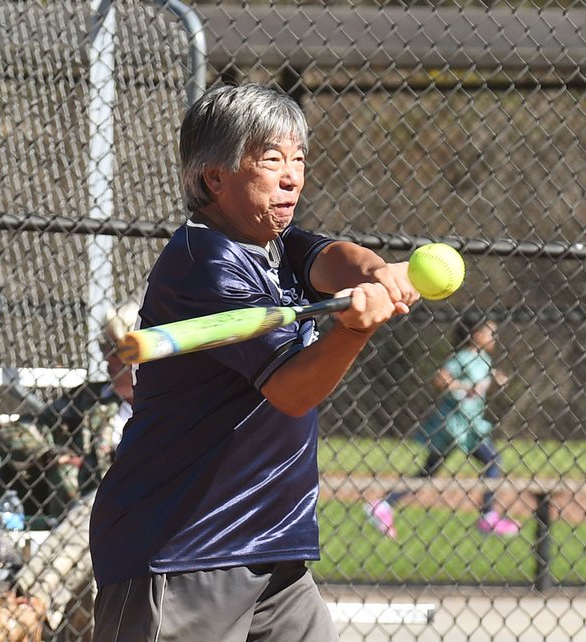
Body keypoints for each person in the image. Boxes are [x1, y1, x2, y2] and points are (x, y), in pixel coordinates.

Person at [87, 83, 418, 642]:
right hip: (182, 548)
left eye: (298, 160)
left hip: (275, 554)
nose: (291, 176)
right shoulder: (204, 262)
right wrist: (354, 329)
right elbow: (290, 389)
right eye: (270, 160)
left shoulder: (274, 243)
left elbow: (331, 257)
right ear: (215, 177)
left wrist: (376, 273)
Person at [0, 302, 139, 642]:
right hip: (91, 527)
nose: (106, 361)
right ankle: (26, 609)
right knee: (96, 515)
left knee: (103, 509)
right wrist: (50, 454)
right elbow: (14, 432)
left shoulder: (170, 404)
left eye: (114, 353)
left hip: (140, 515)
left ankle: (21, 611)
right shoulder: (90, 402)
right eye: (104, 351)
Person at [366, 310, 519, 538]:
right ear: (475, 334)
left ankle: (384, 505)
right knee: (493, 459)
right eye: (489, 333)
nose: (493, 338)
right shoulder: (463, 357)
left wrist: (495, 382)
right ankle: (488, 517)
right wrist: (462, 388)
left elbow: (482, 387)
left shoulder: (483, 360)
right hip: (458, 424)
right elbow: (441, 378)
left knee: (429, 471)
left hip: (465, 422)